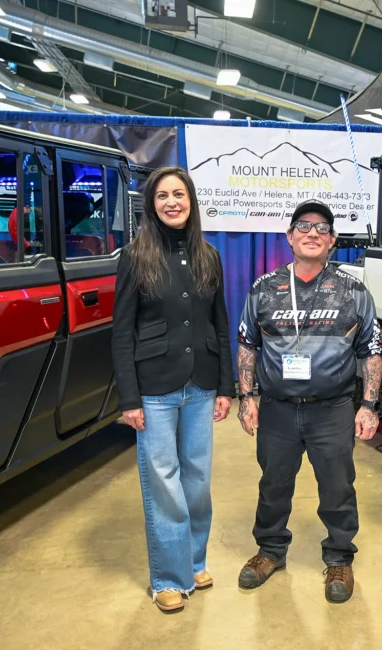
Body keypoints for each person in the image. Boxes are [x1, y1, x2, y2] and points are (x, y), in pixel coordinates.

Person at [235, 199, 382, 604]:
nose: (312, 233)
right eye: (303, 226)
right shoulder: (264, 288)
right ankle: (270, 550)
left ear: (332, 240)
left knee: (337, 486)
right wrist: (247, 397)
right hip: (278, 409)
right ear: (289, 237)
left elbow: (371, 350)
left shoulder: (353, 291)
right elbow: (248, 345)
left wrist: (369, 406)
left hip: (332, 409)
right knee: (273, 484)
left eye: (322, 228)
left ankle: (339, 557)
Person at [112, 166, 234, 613]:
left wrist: (226, 387)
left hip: (201, 384)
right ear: (151, 204)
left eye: (179, 194)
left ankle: (193, 562)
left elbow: (220, 323)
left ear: (191, 201)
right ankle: (168, 577)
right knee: (164, 484)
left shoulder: (209, 256)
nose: (171, 202)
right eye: (162, 196)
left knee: (197, 482)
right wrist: (129, 398)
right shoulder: (134, 256)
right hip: (154, 389)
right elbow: (121, 332)